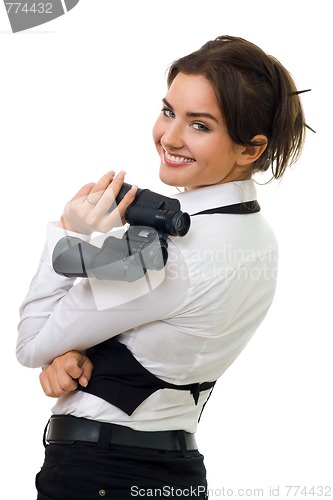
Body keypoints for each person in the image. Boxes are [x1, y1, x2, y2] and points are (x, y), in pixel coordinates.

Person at [17, 35, 308, 499]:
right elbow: (166, 341)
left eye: (201, 125)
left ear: (250, 149)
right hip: (177, 473)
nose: (169, 137)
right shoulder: (259, 238)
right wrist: (73, 355)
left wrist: (69, 232)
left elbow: (31, 343)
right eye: (170, 111)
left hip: (101, 475)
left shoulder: (169, 254)